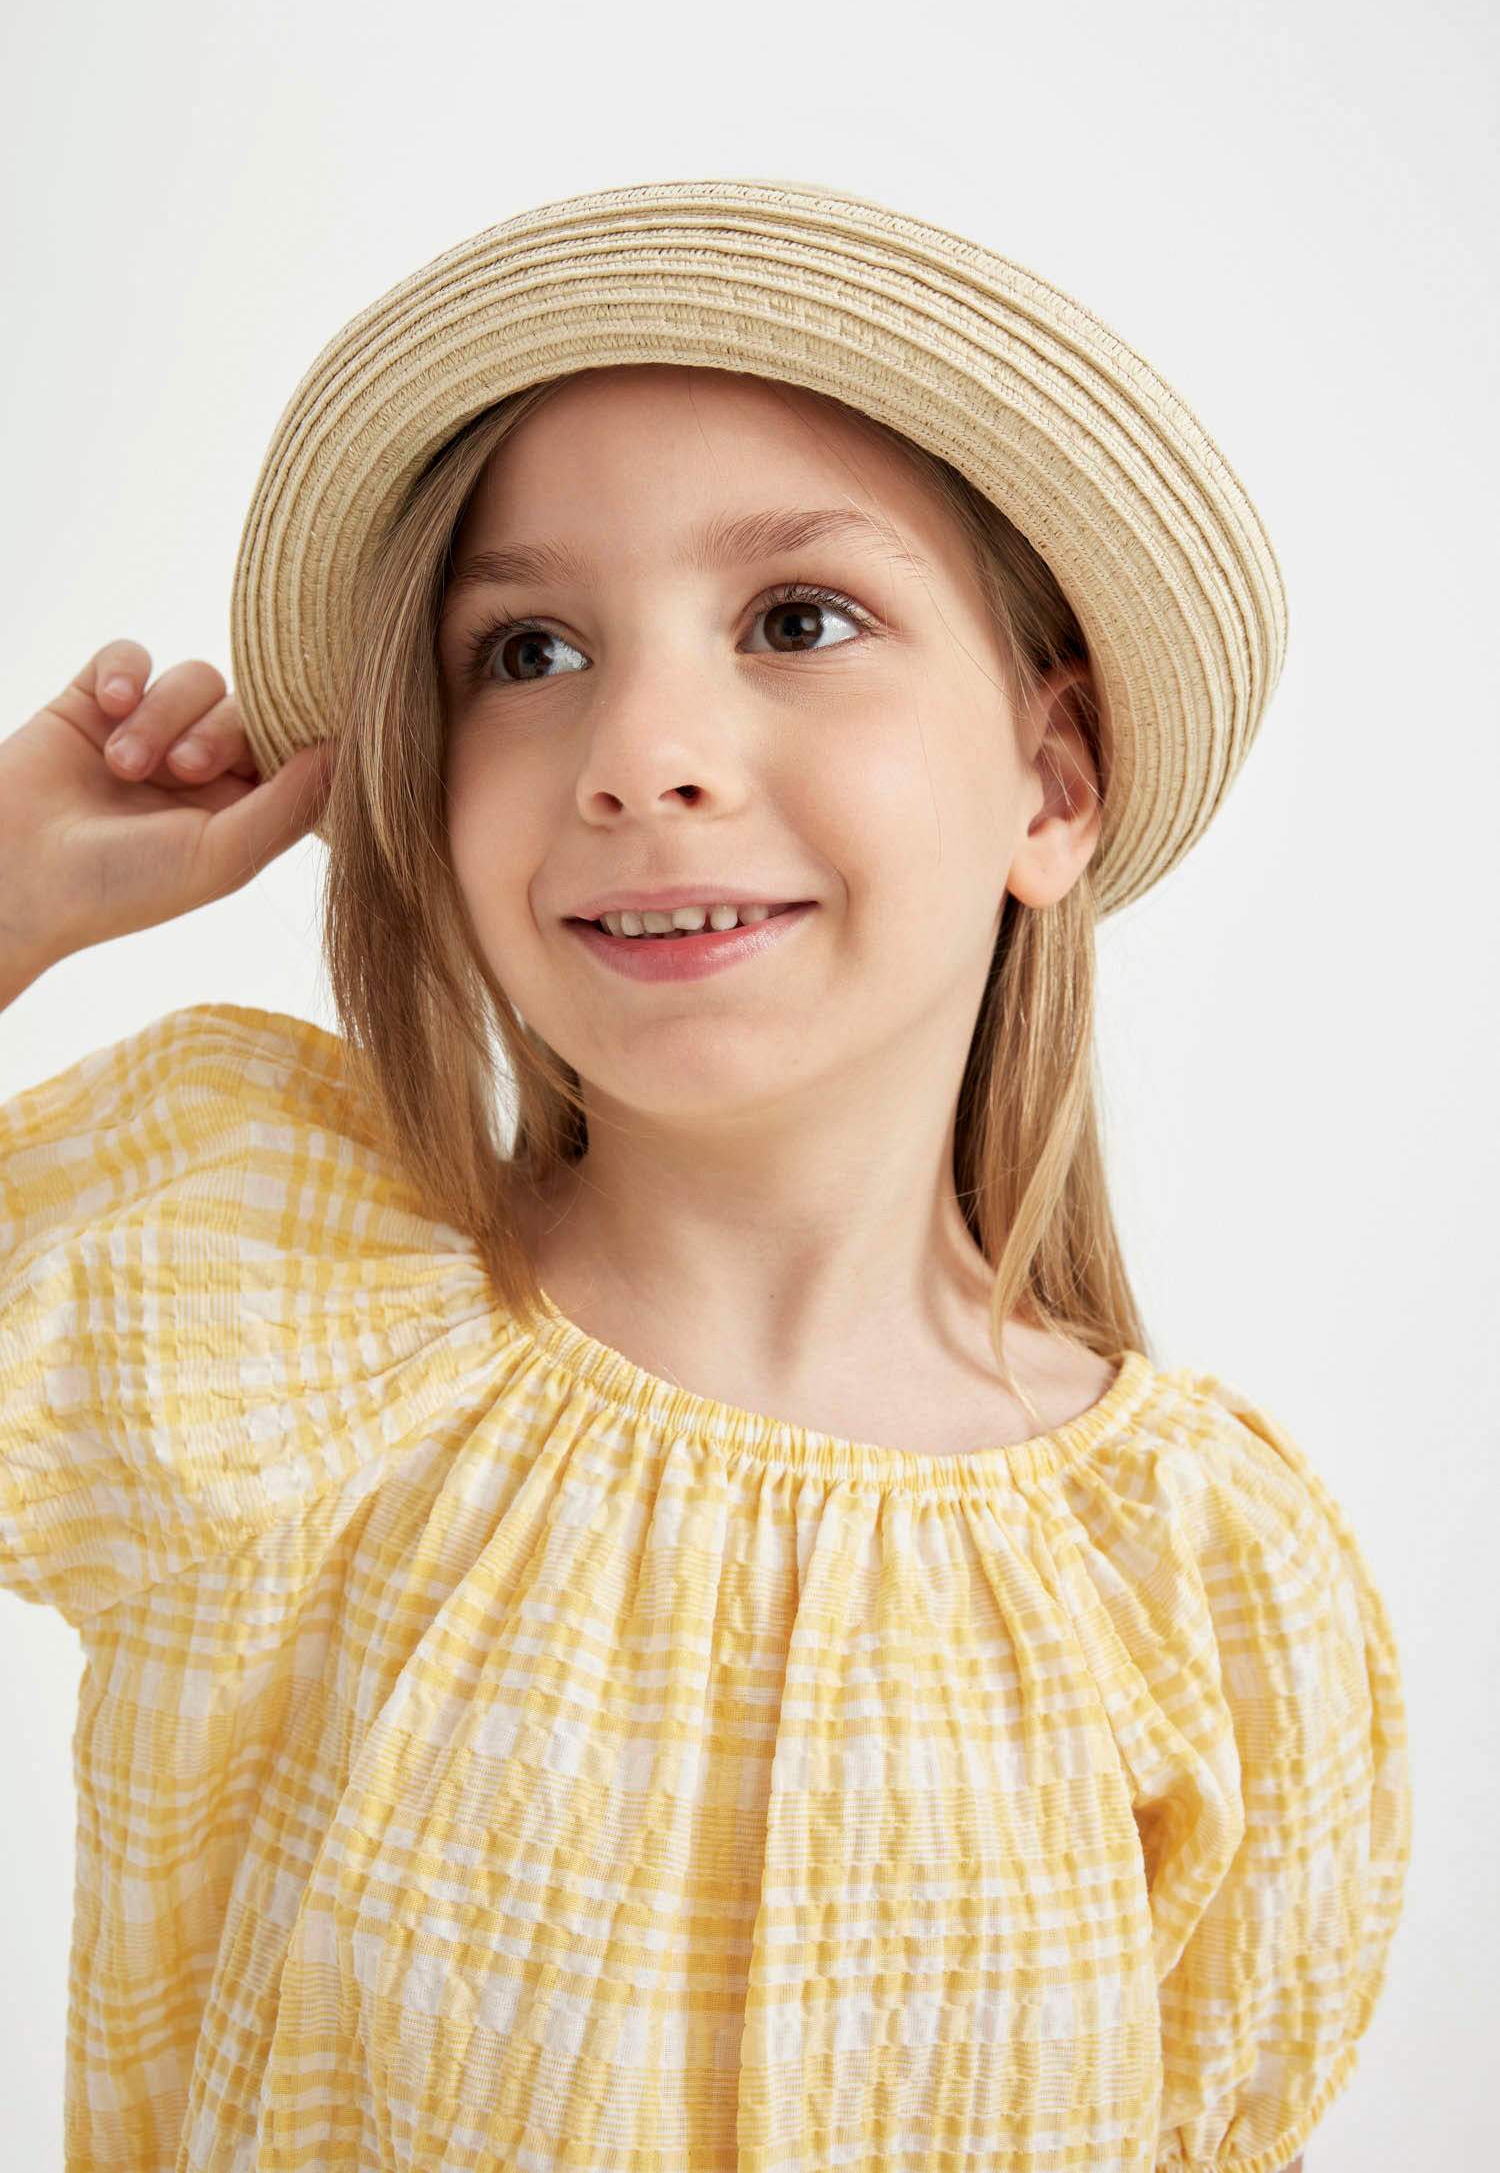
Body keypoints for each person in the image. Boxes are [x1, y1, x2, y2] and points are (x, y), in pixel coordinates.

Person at [0, 178, 1407, 2172]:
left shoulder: (1206, 1578)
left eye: (798, 621)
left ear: (1053, 781)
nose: (640, 750)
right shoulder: (247, 1282)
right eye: (530, 648)